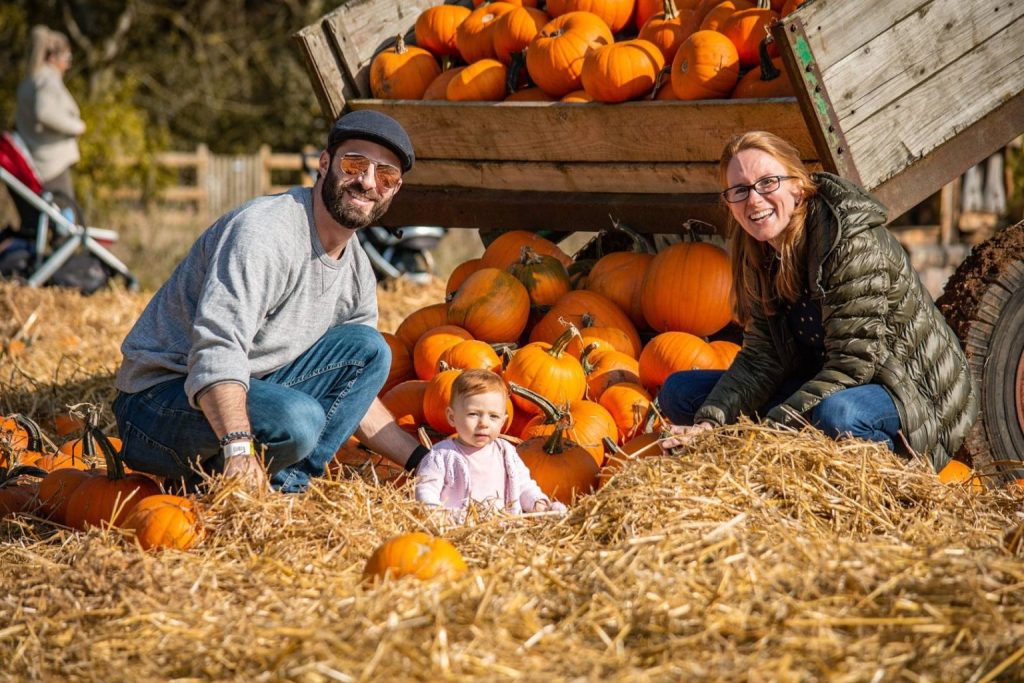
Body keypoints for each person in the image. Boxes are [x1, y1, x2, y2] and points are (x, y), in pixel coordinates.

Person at [112, 110, 431, 493]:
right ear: (325, 163)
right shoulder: (265, 233)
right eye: (355, 163)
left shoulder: (357, 270)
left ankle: (280, 490)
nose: (367, 182)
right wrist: (238, 448)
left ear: (394, 190)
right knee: (298, 419)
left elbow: (352, 394)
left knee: (370, 350)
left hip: (250, 392)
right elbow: (217, 348)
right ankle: (220, 482)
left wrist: (424, 462)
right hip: (159, 402)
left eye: (386, 176)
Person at [658, 131, 978, 472]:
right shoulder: (758, 251)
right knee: (680, 392)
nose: (754, 200)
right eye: (740, 190)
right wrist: (709, 425)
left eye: (767, 182)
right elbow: (761, 357)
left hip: (908, 393)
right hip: (828, 381)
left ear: (798, 185)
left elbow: (854, 364)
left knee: (839, 415)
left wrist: (770, 434)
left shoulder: (849, 244)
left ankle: (889, 476)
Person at [415, 370, 566, 519]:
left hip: (501, 533)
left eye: (493, 416)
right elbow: (426, 489)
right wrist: (436, 515)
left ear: (503, 421)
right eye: (473, 414)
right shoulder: (440, 456)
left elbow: (524, 486)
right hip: (458, 532)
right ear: (452, 417)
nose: (484, 423)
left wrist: (539, 505)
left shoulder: (507, 452)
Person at [15, 26, 86, 201]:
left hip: (35, 158)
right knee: (66, 218)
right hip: (51, 163)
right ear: (53, 57)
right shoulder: (48, 80)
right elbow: (44, 112)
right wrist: (77, 126)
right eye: (67, 58)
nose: (68, 64)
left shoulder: (30, 79)